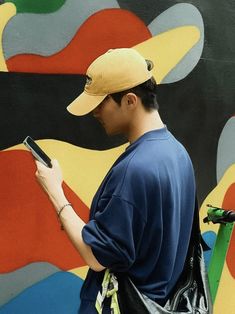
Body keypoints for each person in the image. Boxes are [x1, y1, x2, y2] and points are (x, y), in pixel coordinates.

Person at [35, 48, 196, 313]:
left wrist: (55, 192)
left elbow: (96, 256)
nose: (95, 112)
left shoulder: (134, 169)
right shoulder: (177, 153)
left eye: (101, 103)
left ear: (130, 100)